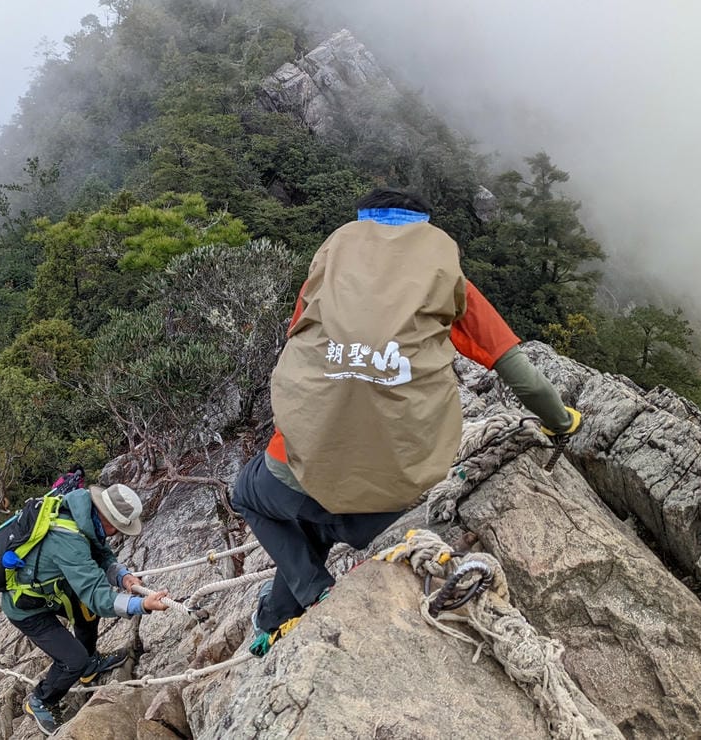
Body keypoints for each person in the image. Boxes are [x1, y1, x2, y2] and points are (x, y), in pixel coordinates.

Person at [231, 188, 583, 656]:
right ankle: (274, 620)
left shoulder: (328, 275)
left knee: (247, 493)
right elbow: (523, 377)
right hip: (387, 498)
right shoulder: (442, 280)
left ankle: (316, 592)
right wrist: (561, 422)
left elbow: (301, 351)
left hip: (299, 477)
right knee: (315, 518)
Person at [5, 482, 171, 736]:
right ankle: (40, 700)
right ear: (109, 519)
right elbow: (97, 596)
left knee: (85, 612)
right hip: (26, 606)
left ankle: (91, 664)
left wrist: (123, 576)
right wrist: (142, 605)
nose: (117, 534)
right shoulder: (68, 539)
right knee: (73, 659)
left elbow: (101, 554)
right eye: (119, 528)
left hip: (53, 587)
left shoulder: (84, 510)